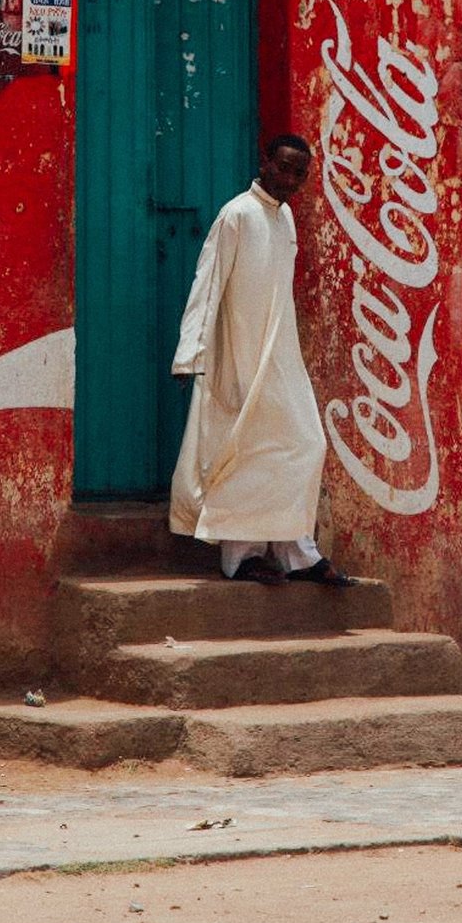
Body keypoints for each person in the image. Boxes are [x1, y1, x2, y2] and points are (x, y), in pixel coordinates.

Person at [166, 136, 351, 586]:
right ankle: (242, 556)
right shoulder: (236, 215)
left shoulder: (285, 217)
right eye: (284, 168)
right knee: (243, 448)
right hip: (239, 351)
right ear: (264, 161)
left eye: (299, 174)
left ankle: (297, 553)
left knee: (305, 443)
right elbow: (207, 284)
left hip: (280, 352)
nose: (290, 180)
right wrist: (191, 354)